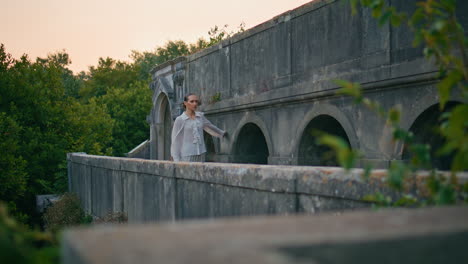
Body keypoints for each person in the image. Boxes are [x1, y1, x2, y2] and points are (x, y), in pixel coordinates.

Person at [171, 93, 227, 162]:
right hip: (187, 155)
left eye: (196, 101)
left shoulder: (200, 117)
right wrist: (176, 160)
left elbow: (210, 126)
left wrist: (222, 133)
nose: (195, 104)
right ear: (185, 103)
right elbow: (175, 140)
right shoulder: (180, 119)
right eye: (192, 101)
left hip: (201, 153)